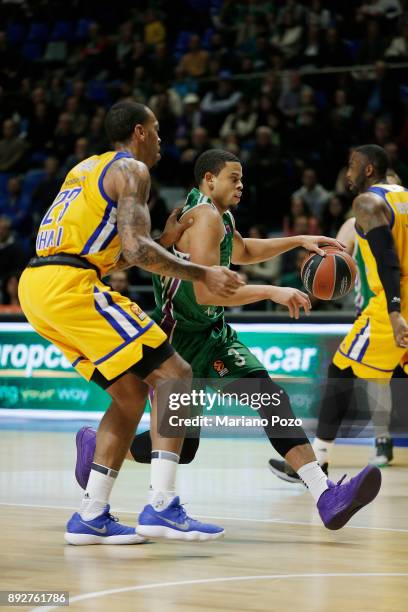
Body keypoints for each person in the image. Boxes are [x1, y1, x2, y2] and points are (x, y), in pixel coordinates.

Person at [76, 149, 382, 532]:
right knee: (183, 447)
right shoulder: (203, 218)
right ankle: (98, 449)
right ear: (208, 180)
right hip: (180, 338)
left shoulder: (215, 214)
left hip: (213, 335)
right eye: (233, 178)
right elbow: (208, 293)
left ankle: (326, 495)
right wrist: (273, 291)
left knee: (268, 397)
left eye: (241, 178)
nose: (241, 184)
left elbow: (242, 250)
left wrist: (298, 239)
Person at [18, 101, 244, 545]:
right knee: (176, 375)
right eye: (157, 131)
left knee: (129, 394)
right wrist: (204, 272)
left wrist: (165, 241)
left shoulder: (84, 168)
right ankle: (162, 505)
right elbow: (138, 254)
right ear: (139, 132)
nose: (161, 140)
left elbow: (119, 249)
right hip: (72, 285)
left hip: (37, 285)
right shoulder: (134, 171)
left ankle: (91, 514)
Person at [268, 147, 408, 482]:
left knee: (340, 368)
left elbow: (388, 262)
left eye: (352, 166)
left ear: (369, 169)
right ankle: (317, 462)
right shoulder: (404, 197)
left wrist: (393, 312)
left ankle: (317, 465)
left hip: (389, 308)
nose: (347, 173)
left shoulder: (367, 203)